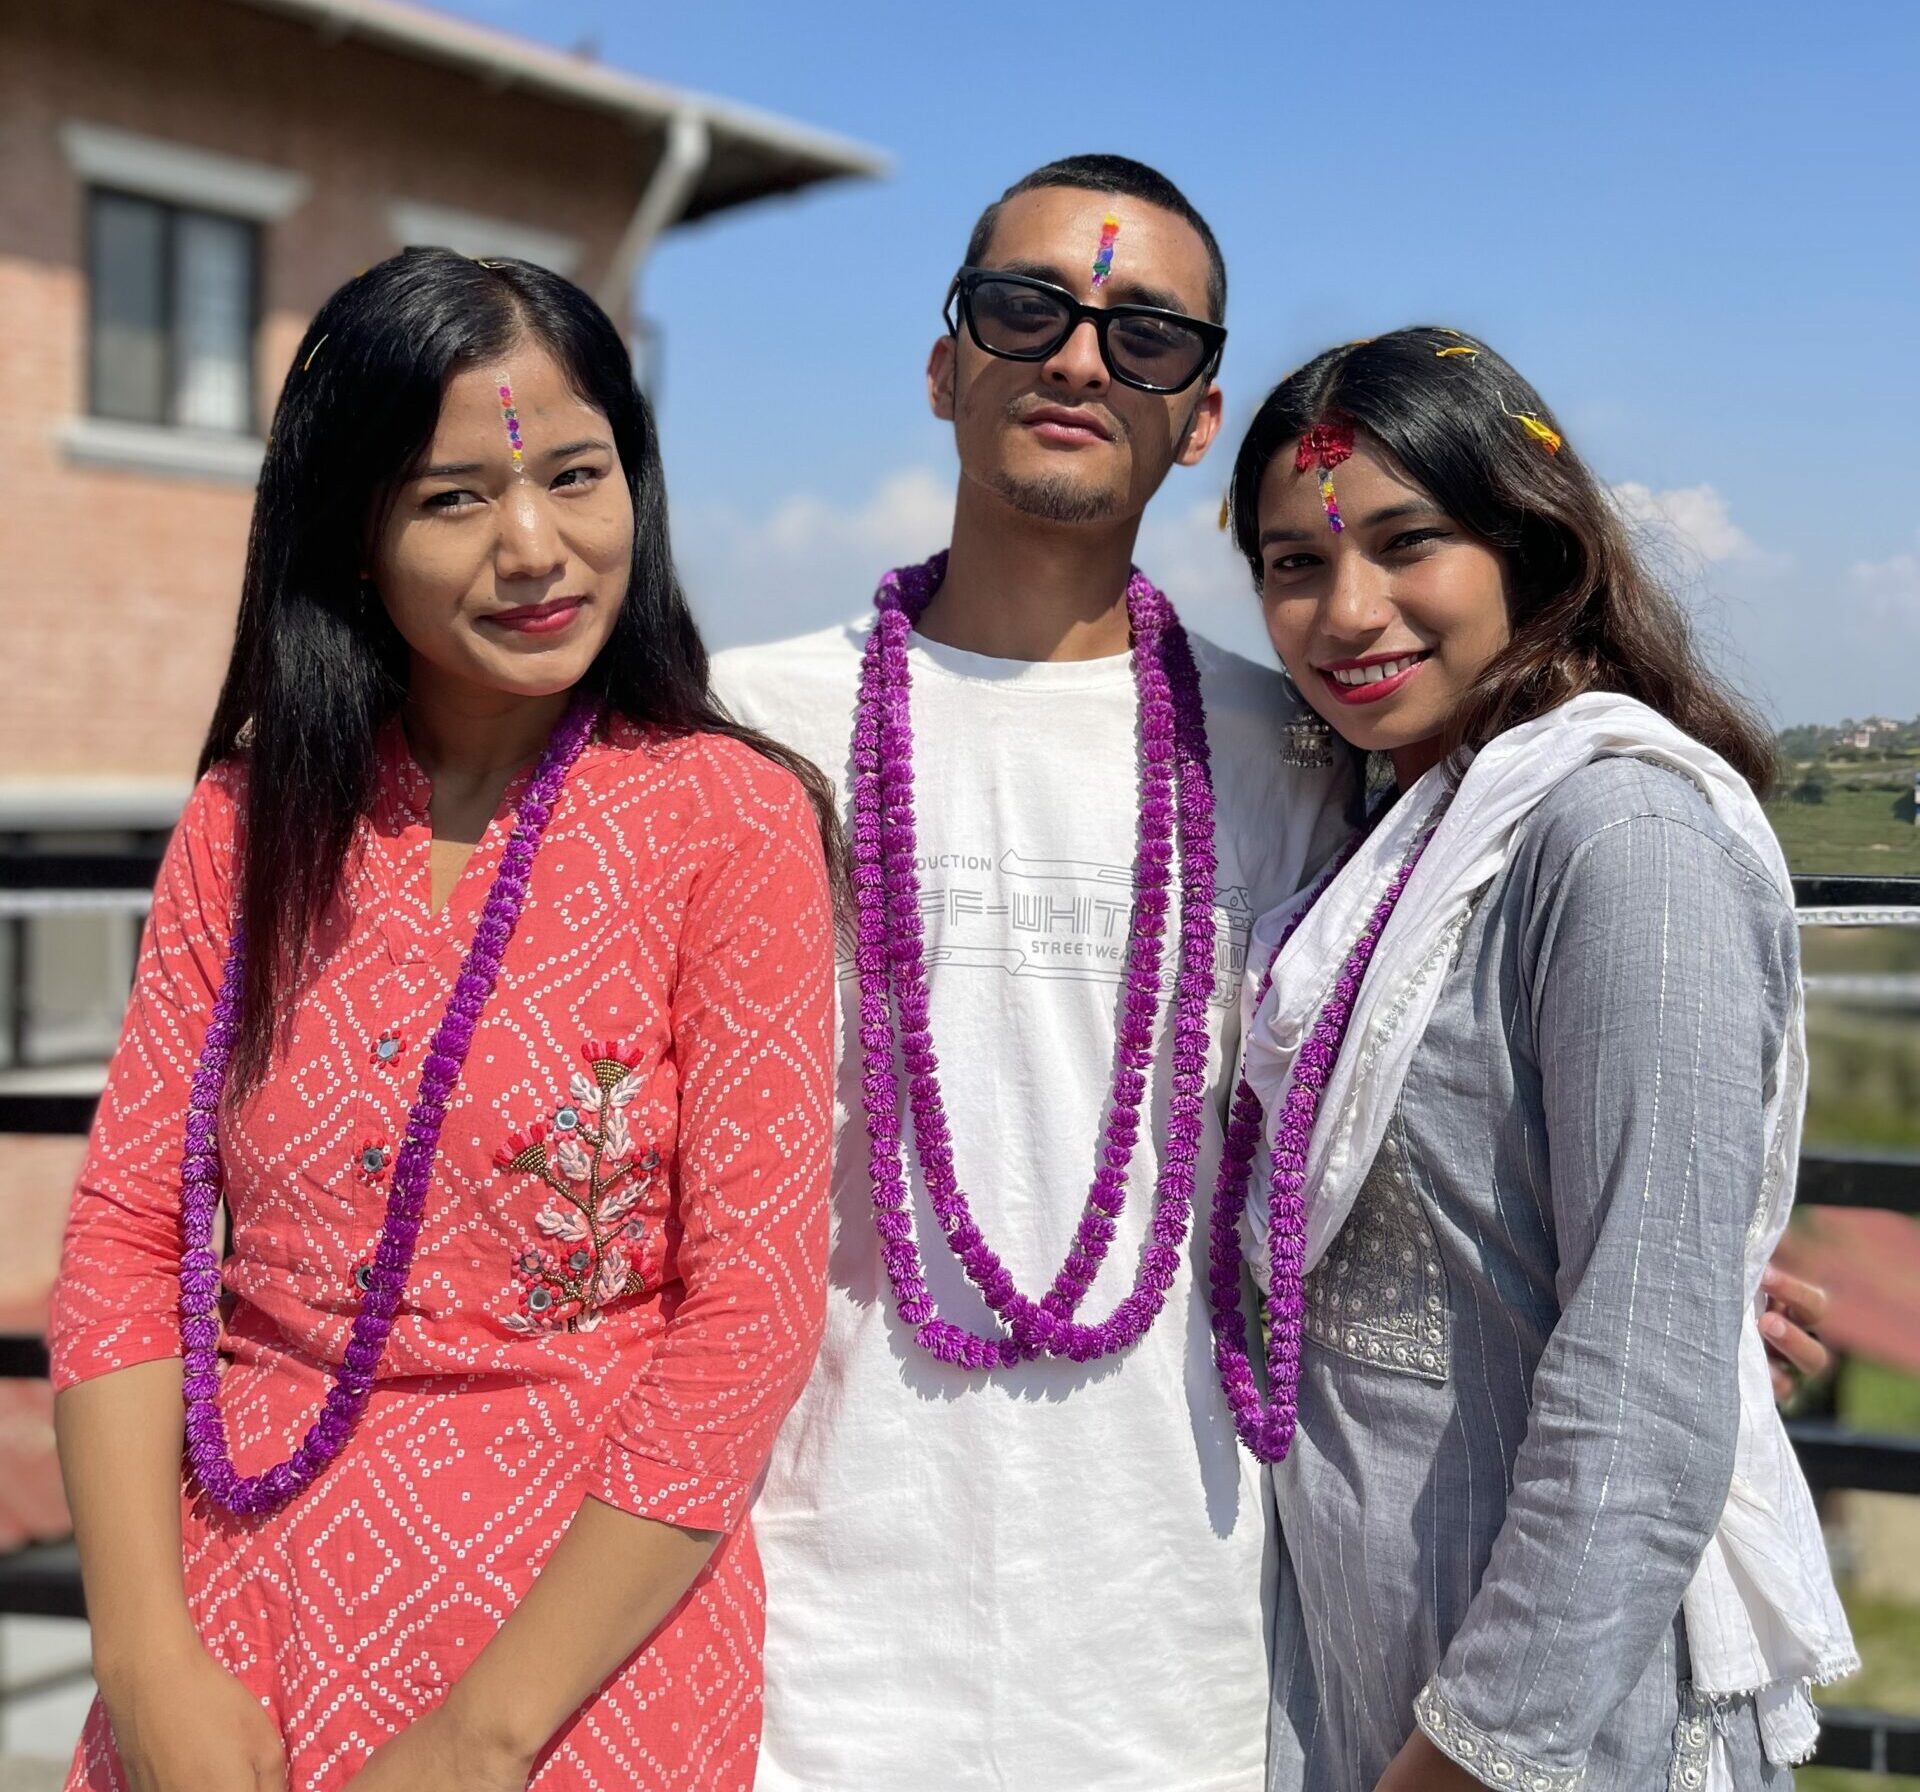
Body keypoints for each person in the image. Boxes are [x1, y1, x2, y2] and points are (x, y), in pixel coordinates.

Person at [50, 249, 836, 1792]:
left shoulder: (725, 824)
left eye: (576, 476)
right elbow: (128, 1237)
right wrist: (146, 1666)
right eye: (456, 497)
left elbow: (747, 1321)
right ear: (351, 533)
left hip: (578, 1661)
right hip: (233, 1624)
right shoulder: (249, 821)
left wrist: (479, 1742)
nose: (537, 549)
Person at [1215, 327, 1857, 1792]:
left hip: (1550, 1728)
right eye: (1293, 563)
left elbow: (1642, 1393)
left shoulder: (1620, 840)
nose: (1344, 610)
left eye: (1405, 542)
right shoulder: (1403, 838)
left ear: (1529, 541)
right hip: (1366, 1671)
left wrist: (1471, 1755)